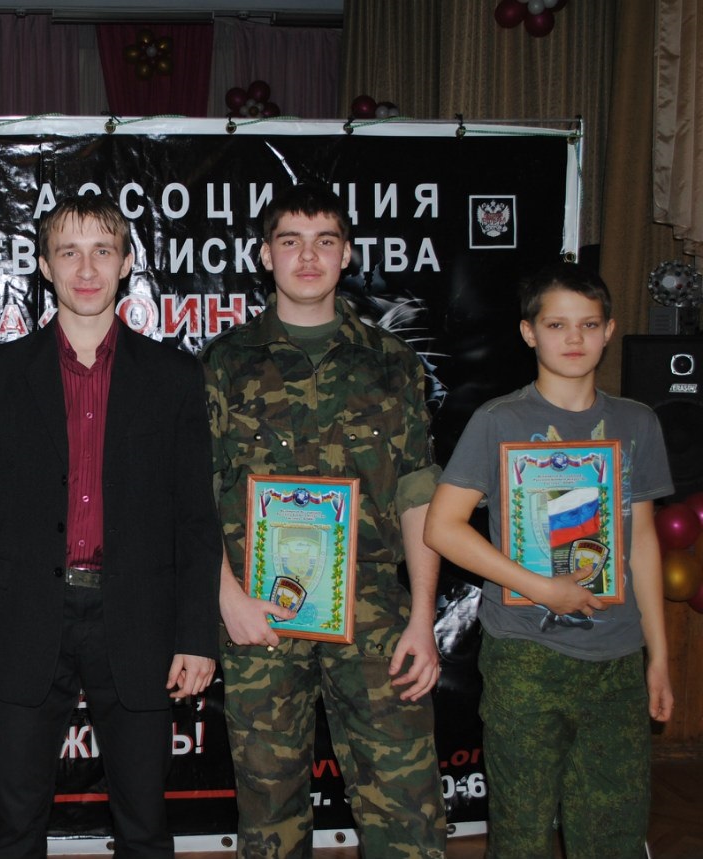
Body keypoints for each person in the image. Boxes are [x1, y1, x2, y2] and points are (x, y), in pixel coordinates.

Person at [0, 195, 221, 858]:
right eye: (69, 252)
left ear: (126, 263)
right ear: (45, 266)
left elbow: (195, 517)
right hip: (23, 620)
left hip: (140, 622)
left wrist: (196, 635)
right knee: (16, 826)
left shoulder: (175, 377)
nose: (87, 268)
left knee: (145, 826)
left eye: (103, 250)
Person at [203, 183, 446, 858]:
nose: (307, 257)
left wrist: (423, 617)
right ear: (265, 255)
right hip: (259, 614)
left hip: (374, 615)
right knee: (269, 815)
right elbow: (195, 494)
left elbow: (417, 494)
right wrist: (228, 599)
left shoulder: (392, 363)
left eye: (324, 241)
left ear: (347, 255)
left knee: (407, 810)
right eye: (291, 241)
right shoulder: (225, 363)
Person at [424, 262, 674, 858]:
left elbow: (641, 540)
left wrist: (659, 656)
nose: (574, 338)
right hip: (525, 656)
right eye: (557, 324)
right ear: (529, 332)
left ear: (609, 330)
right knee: (523, 831)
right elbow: (442, 527)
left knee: (612, 829)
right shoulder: (499, 421)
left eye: (588, 324)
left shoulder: (636, 422)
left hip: (617, 658)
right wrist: (541, 587)